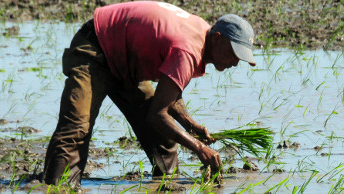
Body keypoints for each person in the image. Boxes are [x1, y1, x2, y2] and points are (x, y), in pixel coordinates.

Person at [42, 1, 256, 189]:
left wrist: (189, 124)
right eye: (234, 54)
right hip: (96, 47)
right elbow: (157, 115)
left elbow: (170, 91)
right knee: (76, 129)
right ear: (217, 39)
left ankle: (166, 186)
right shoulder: (188, 50)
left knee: (163, 140)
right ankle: (56, 187)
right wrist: (199, 148)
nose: (235, 62)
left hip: (126, 64)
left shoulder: (203, 32)